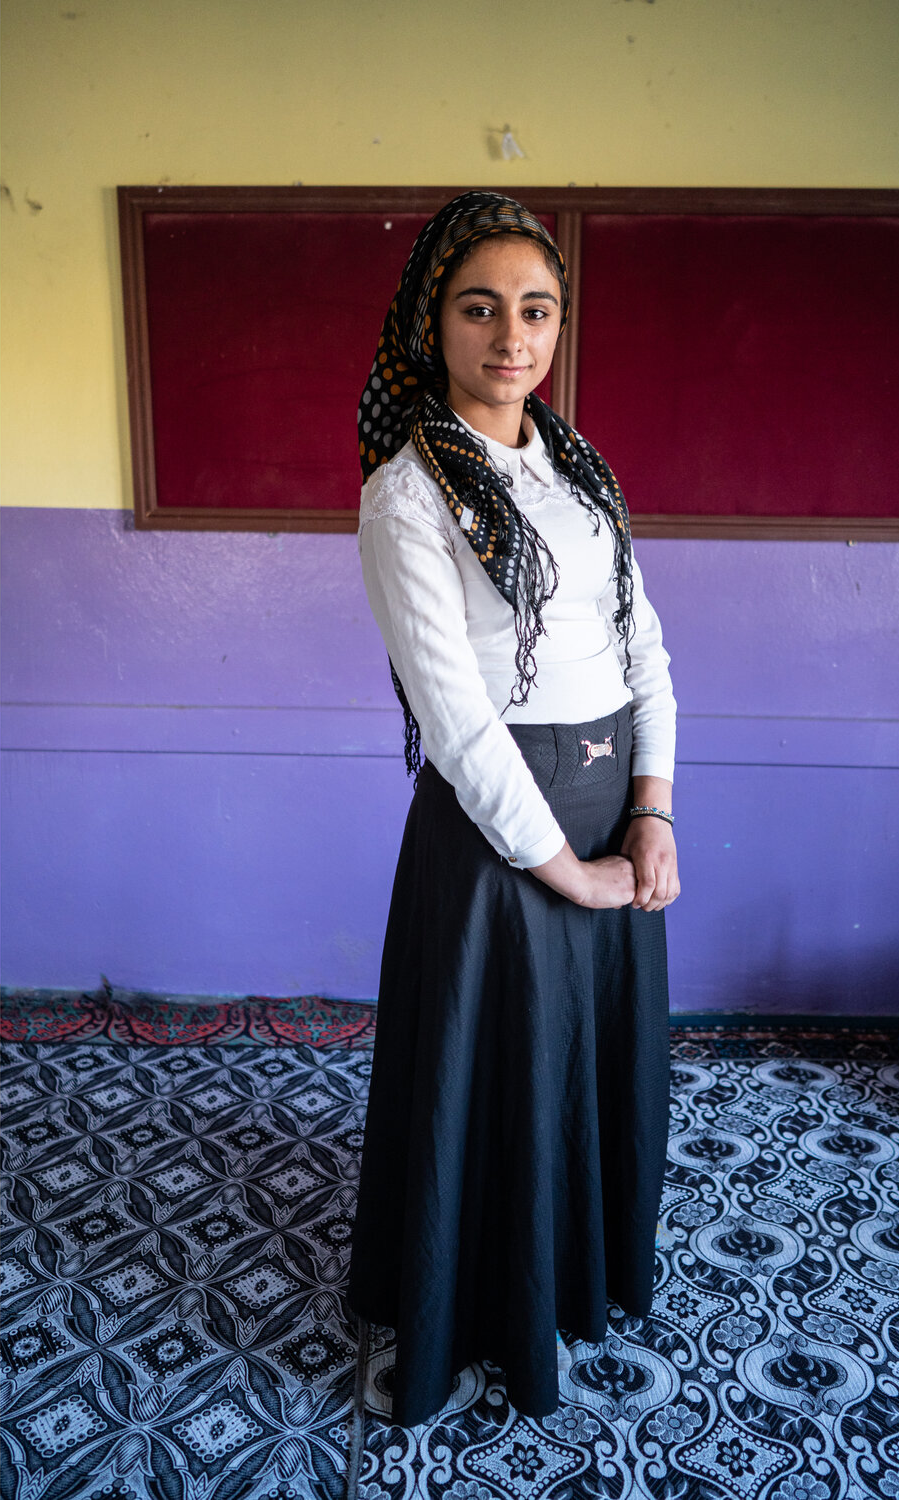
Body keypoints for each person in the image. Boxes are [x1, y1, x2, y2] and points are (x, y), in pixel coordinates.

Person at [347, 191, 680, 1428]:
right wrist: (566, 868)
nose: (510, 336)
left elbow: (645, 652)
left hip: (609, 821)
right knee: (487, 1086)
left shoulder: (580, 470)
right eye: (478, 306)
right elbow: (458, 725)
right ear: (431, 321)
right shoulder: (409, 494)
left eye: (534, 309)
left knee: (584, 1077)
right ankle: (462, 1320)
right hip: (502, 844)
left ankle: (568, 1285)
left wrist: (650, 816)